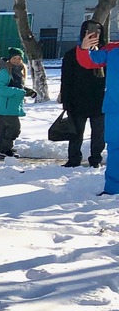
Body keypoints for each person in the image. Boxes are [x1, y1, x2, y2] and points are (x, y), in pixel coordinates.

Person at [76, 26, 119, 194]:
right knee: (115, 149)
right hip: (114, 110)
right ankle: (113, 188)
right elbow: (89, 61)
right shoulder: (113, 49)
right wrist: (84, 48)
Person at [61, 21, 105, 169]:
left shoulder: (105, 53)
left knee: (98, 134)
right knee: (76, 133)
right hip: (77, 100)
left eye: (98, 31)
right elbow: (66, 79)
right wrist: (66, 100)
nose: (94, 34)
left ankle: (95, 160)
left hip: (100, 100)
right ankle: (73, 159)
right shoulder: (71, 54)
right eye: (90, 31)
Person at [0, 47, 37, 160]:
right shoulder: (4, 72)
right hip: (6, 106)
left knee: (4, 129)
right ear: (9, 59)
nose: (16, 60)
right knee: (14, 128)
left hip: (12, 106)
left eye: (19, 58)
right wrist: (20, 92)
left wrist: (28, 91)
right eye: (14, 58)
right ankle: (5, 149)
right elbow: (0, 89)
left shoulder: (18, 72)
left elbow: (16, 87)